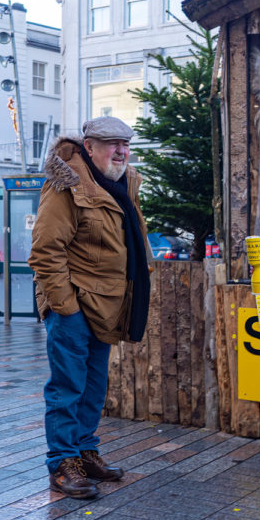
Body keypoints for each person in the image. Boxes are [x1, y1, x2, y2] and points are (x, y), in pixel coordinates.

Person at [29, 117, 151, 499]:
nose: (121, 151)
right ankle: (63, 463)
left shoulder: (124, 183)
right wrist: (66, 308)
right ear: (89, 146)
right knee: (67, 388)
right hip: (75, 307)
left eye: (125, 144)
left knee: (94, 389)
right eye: (111, 143)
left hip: (107, 306)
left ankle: (84, 454)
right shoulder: (65, 184)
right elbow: (46, 251)